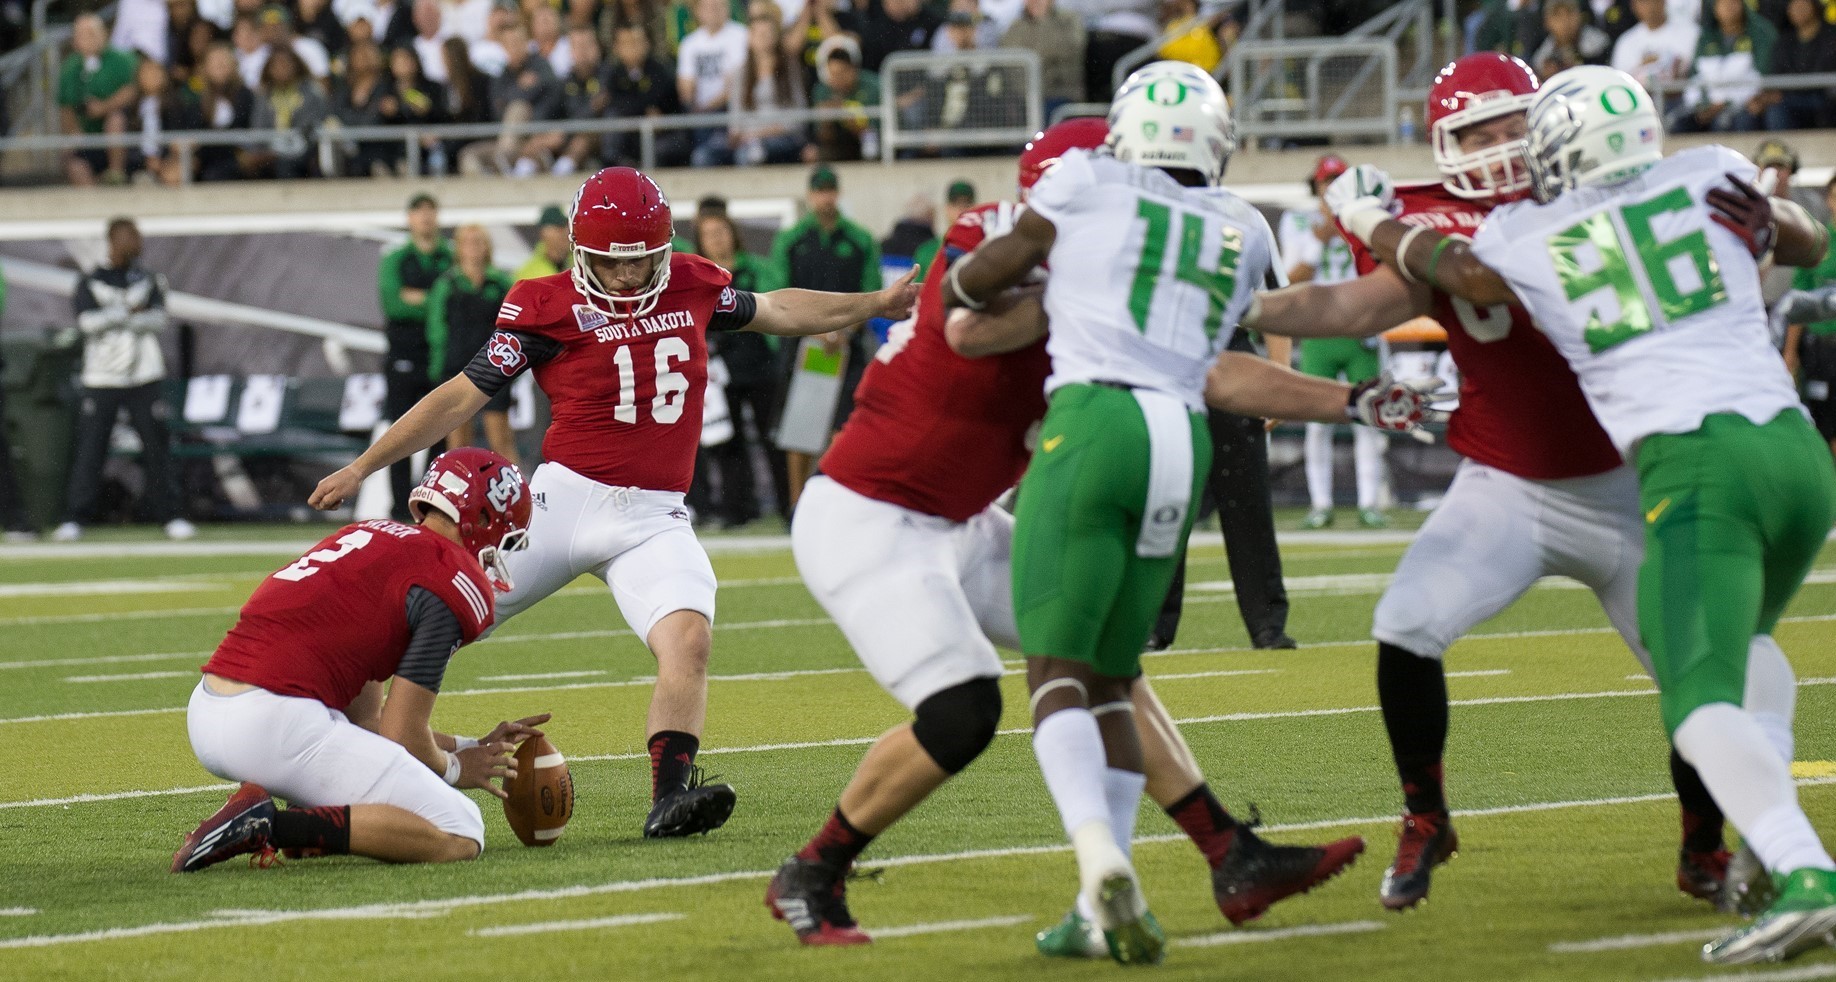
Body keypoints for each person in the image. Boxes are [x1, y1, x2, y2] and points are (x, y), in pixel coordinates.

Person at [766, 117, 1377, 951]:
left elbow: (1215, 369)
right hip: (869, 512)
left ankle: (1227, 852)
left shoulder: (1120, 282)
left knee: (1103, 661)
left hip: (962, 515)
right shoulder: (994, 236)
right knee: (963, 711)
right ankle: (812, 871)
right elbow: (965, 326)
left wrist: (1352, 403)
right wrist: (1078, 289)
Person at [1334, 63, 1836, 967]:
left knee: (1696, 693)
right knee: (1749, 652)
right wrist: (1774, 214)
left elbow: (1468, 275)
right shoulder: (1707, 167)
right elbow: (1803, 237)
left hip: (1695, 465)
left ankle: (1801, 871)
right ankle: (1768, 857)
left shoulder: (1528, 227)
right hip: (1796, 452)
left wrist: (1369, 219)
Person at [938, 62, 1438, 965]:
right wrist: (1350, 392)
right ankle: (1115, 903)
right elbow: (1233, 351)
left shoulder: (1085, 179)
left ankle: (1098, 865)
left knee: (1057, 666)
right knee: (1116, 672)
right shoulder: (1242, 225)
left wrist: (967, 285)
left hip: (1096, 425)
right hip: (1184, 438)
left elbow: (982, 285)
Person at [1242, 53, 1731, 912]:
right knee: (1404, 625)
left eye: (1515, 124)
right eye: (1480, 132)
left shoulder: (1604, 196)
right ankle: (1426, 816)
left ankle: (1704, 844)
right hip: (1508, 482)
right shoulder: (1434, 221)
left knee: (1696, 683)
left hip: (1630, 483)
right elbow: (1352, 309)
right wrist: (1243, 305)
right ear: (1445, 144)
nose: (1502, 147)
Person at [308, 167, 919, 838]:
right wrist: (368, 464)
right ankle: (322, 759)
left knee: (688, 638)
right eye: (611, 262)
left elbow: (776, 309)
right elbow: (463, 394)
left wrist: (873, 304)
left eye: (641, 261)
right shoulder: (546, 305)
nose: (628, 278)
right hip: (562, 502)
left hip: (656, 514)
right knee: (420, 619)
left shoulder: (690, 279)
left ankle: (670, 799)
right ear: (579, 251)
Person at [172, 449, 543, 871]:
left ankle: (303, 822)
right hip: (275, 726)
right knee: (461, 830)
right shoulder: (450, 577)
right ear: (482, 520)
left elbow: (369, 724)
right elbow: (403, 732)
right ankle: (270, 825)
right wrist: (457, 768)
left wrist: (473, 747)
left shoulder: (371, 535)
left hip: (210, 709)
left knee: (365, 757)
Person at [53, 218, 195, 544]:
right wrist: (129, 311)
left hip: (143, 376)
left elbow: (158, 319)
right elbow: (88, 323)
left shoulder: (149, 279)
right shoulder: (92, 280)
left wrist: (118, 315)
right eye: (130, 236)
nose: (137, 242)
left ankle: (170, 515)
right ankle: (75, 517)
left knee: (157, 447)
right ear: (114, 240)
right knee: (91, 449)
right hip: (101, 377)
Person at [768, 165, 883, 512]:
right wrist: (817, 330)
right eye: (819, 191)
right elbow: (777, 295)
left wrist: (843, 332)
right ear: (810, 195)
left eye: (829, 190)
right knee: (798, 431)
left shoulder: (859, 240)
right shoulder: (791, 240)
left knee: (843, 427)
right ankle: (796, 505)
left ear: (838, 193)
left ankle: (836, 503)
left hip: (845, 347)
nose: (825, 198)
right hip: (801, 345)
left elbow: (872, 293)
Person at [1283, 153, 1387, 531]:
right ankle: (1321, 504)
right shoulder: (1298, 222)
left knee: (1369, 420)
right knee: (1318, 424)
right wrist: (1319, 239)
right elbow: (1291, 277)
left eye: (1338, 181)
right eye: (1326, 183)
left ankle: (1369, 503)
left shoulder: (1370, 219)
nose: (1331, 190)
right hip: (1319, 332)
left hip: (1361, 331)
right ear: (1316, 186)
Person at [694, 209, 779, 529]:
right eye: (709, 234)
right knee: (725, 442)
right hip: (720, 370)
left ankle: (784, 505)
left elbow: (775, 306)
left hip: (760, 364)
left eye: (721, 231)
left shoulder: (756, 268)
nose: (717, 239)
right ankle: (736, 509)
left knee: (772, 437)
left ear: (734, 233)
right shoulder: (701, 277)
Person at [377, 193, 455, 522]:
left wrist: (420, 298)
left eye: (429, 211)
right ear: (409, 218)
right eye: (418, 211)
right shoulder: (395, 259)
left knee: (439, 433)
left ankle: (428, 506)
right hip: (404, 354)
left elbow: (454, 299)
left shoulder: (448, 258)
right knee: (399, 435)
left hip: (439, 355)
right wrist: (436, 298)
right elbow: (394, 304)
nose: (425, 217)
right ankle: (397, 510)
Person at [428, 225, 518, 464]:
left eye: (478, 241)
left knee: (501, 440)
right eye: (467, 241)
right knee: (457, 444)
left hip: (494, 369)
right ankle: (458, 499)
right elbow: (437, 329)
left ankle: (519, 498)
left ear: (487, 246)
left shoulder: (500, 283)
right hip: (457, 370)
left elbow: (514, 327)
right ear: (458, 248)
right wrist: (439, 371)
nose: (473, 247)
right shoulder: (446, 284)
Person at [1783, 176, 1836, 460]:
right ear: (1828, 200)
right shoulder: (1816, 243)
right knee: (1820, 425)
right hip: (1821, 349)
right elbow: (1799, 302)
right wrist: (1790, 352)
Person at [1668, 0, 1776, 133]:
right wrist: (1703, 105)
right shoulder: (1706, 38)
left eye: (1733, 2)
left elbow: (1759, 78)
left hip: (1742, 104)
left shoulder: (1759, 33)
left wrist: (1726, 103)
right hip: (1708, 105)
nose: (1729, 6)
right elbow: (1695, 79)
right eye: (1723, 3)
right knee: (1677, 123)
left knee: (1726, 122)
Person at [58, 13, 139, 186]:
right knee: (73, 162)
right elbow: (66, 108)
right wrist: (72, 135)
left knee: (115, 120)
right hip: (88, 137)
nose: (87, 39)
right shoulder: (70, 68)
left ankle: (116, 174)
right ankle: (91, 201)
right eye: (82, 34)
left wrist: (104, 107)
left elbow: (133, 90)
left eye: (91, 33)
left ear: (103, 34)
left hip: (123, 136)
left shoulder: (123, 60)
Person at [676, 0, 749, 166]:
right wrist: (693, 101)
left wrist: (708, 106)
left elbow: (737, 83)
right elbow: (685, 86)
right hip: (699, 111)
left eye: (717, 6)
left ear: (727, 8)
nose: (713, 11)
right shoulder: (689, 43)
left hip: (729, 107)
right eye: (708, 8)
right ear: (698, 12)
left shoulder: (741, 35)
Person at [999, 0, 1083, 121]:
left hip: (1060, 95)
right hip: (1023, 99)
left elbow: (1070, 47)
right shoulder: (1016, 26)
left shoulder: (1069, 20)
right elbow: (1010, 60)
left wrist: (1042, 20)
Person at [1610, 0, 1699, 97]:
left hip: (1682, 102)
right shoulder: (1626, 41)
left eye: (1653, 1)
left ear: (1663, 2)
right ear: (1633, 6)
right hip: (1641, 102)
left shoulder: (1690, 33)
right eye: (1643, 2)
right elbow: (1619, 83)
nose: (1650, 7)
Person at [517, 204, 574, 281]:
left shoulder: (577, 263)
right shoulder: (529, 273)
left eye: (567, 227)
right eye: (559, 229)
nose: (565, 233)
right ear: (544, 233)